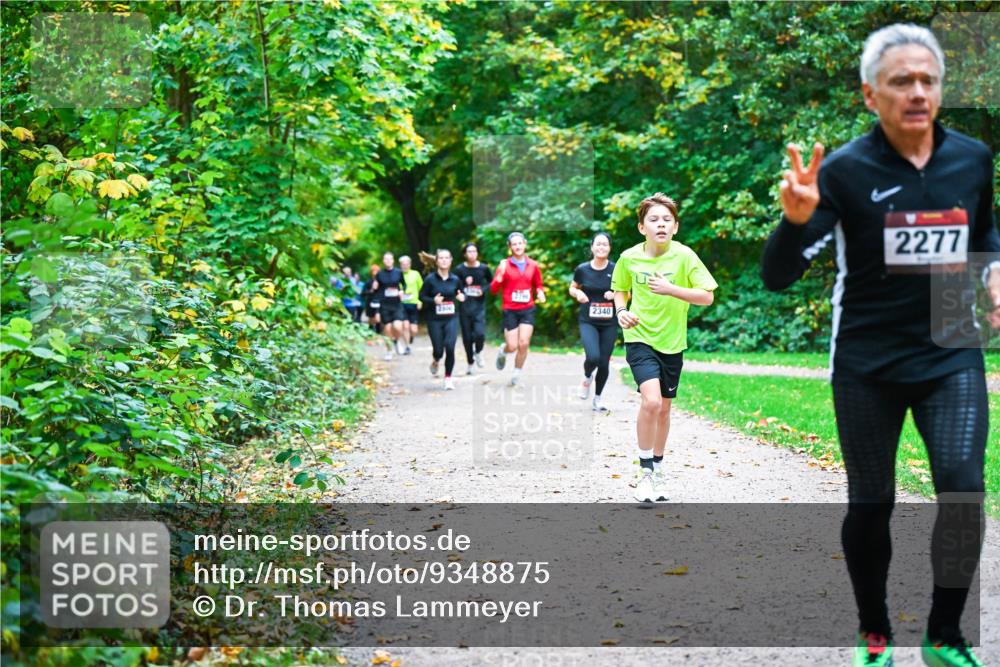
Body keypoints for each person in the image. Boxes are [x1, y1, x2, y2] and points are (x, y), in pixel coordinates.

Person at [760, 23, 998, 667]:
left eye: (929, 80)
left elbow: (984, 236)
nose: (917, 92)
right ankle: (875, 631)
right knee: (872, 502)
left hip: (951, 346)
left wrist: (995, 272)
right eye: (902, 81)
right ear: (871, 95)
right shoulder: (842, 172)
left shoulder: (971, 159)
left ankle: (945, 634)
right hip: (867, 359)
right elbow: (777, 276)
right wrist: (796, 221)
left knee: (962, 487)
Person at [612, 193, 717, 505]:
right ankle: (644, 471)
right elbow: (620, 290)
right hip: (640, 337)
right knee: (652, 402)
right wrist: (621, 312)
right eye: (654, 219)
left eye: (666, 220)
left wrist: (673, 290)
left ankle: (658, 466)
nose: (661, 224)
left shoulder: (684, 256)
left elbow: (707, 296)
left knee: (666, 408)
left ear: (675, 227)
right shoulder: (629, 257)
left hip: (672, 342)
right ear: (642, 227)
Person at [569, 232, 618, 412]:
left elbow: (627, 293)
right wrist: (578, 293)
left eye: (605, 244)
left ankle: (598, 398)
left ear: (609, 248)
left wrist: (615, 294)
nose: (601, 247)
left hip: (609, 323)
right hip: (588, 320)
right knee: (593, 357)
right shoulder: (582, 269)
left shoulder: (615, 270)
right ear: (592, 247)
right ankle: (587, 376)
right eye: (598, 244)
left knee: (604, 363)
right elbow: (572, 288)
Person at [491, 232, 546, 386]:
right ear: (510, 247)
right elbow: (493, 289)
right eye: (514, 244)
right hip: (510, 309)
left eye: (520, 243)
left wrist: (540, 293)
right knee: (513, 345)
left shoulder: (533, 265)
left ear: (525, 244)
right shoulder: (504, 265)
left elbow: (538, 284)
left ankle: (516, 373)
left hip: (527, 308)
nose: (517, 246)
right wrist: (500, 276)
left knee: (524, 343)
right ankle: (504, 350)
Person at [419, 248, 465, 390]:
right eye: (441, 258)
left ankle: (448, 378)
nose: (444, 260)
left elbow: (461, 293)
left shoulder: (456, 279)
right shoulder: (430, 279)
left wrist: (462, 297)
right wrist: (433, 300)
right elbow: (421, 296)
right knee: (438, 350)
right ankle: (436, 359)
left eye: (447, 258)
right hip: (434, 319)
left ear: (451, 261)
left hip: (451, 317)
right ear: (437, 261)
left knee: (450, 347)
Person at [454, 242, 492, 375]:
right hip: (465, 308)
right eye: (469, 252)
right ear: (465, 254)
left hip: (479, 306)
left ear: (477, 253)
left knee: (480, 334)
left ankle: (479, 351)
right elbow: (454, 285)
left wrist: (483, 289)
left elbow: (491, 283)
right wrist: (459, 293)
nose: (472, 254)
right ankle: (470, 362)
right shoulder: (459, 270)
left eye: (474, 251)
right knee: (467, 338)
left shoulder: (484, 268)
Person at [372, 252, 406, 361]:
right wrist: (375, 288)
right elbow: (376, 291)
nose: (388, 261)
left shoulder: (398, 272)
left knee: (397, 327)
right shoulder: (379, 274)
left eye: (390, 259)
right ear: (383, 261)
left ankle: (397, 340)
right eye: (386, 259)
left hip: (396, 303)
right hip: (384, 304)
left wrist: (402, 291)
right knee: (387, 329)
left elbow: (403, 284)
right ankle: (389, 350)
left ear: (393, 260)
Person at [399, 255, 424, 355]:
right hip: (402, 304)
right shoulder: (398, 275)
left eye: (407, 264)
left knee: (413, 329)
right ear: (400, 265)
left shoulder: (415, 274)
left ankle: (411, 337)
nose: (405, 266)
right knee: (405, 326)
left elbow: (422, 289)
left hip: (414, 303)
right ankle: (407, 347)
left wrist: (420, 301)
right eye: (403, 264)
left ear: (410, 264)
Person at [361, 263, 382, 335]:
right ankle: (371, 333)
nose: (375, 272)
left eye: (376, 271)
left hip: (379, 302)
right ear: (371, 272)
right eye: (373, 271)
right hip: (370, 302)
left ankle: (379, 333)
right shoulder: (368, 282)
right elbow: (363, 293)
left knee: (378, 318)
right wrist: (371, 290)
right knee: (371, 319)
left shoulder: (382, 281)